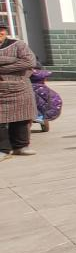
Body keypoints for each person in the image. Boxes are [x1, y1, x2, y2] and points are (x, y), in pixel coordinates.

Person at [0, 24, 38, 156]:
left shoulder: (18, 45)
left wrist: (2, 68)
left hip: (20, 88)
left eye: (2, 30)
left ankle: (20, 146)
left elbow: (29, 62)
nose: (0, 32)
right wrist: (12, 61)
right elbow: (22, 63)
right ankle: (3, 149)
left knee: (21, 118)